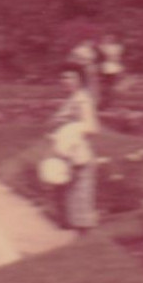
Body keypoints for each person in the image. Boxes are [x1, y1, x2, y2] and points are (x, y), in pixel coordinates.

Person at [44, 64, 100, 233]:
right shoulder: (72, 99)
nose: (66, 81)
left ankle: (84, 245)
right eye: (63, 77)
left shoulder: (82, 100)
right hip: (66, 158)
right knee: (67, 205)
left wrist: (67, 130)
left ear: (80, 80)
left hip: (78, 158)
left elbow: (91, 127)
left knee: (79, 206)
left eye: (71, 77)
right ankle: (76, 245)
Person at [97, 33, 125, 107]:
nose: (109, 39)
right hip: (107, 67)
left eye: (110, 38)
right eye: (108, 38)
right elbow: (100, 47)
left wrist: (120, 67)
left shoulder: (117, 47)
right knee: (106, 86)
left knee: (112, 86)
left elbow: (118, 57)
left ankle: (110, 102)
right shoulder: (106, 47)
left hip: (113, 67)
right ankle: (106, 102)